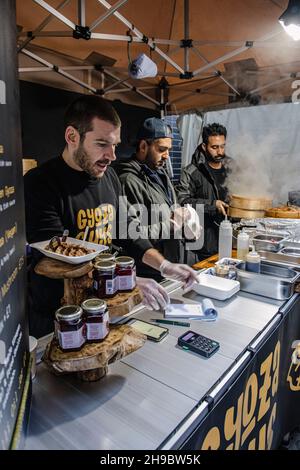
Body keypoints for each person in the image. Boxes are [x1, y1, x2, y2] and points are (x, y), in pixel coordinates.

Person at [24, 96, 198, 337]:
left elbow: (129, 232)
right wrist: (125, 282)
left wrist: (164, 265)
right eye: (102, 144)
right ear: (72, 137)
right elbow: (56, 258)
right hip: (59, 317)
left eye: (114, 145)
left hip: (101, 306)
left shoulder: (110, 178)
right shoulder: (40, 183)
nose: (112, 155)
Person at [114, 117, 200, 279]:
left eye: (168, 149)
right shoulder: (128, 181)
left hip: (170, 267)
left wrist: (187, 225)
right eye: (161, 149)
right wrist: (172, 225)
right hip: (149, 272)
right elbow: (133, 235)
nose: (167, 155)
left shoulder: (160, 174)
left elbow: (169, 210)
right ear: (143, 146)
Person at [176, 123, 230, 260]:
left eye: (223, 146)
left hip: (230, 238)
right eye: (214, 147)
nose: (220, 152)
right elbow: (182, 202)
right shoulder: (191, 172)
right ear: (204, 146)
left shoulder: (232, 167)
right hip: (204, 242)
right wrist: (213, 205)